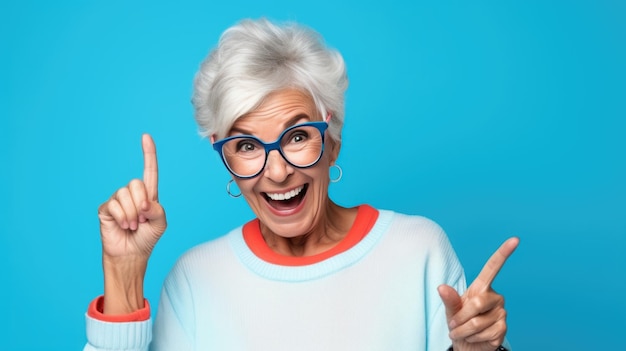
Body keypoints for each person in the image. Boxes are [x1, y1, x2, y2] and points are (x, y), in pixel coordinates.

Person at [84, 18, 518, 351]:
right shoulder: (195, 279)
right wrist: (123, 273)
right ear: (225, 158)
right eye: (247, 146)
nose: (277, 172)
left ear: (332, 139)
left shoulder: (417, 250)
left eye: (296, 137)